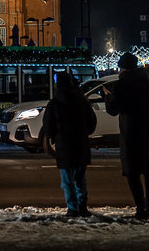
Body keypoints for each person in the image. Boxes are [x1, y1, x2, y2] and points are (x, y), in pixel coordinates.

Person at [105, 52, 149, 220]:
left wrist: (108, 97)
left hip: (131, 134)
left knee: (133, 172)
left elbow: (112, 110)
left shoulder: (121, 85)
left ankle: (140, 208)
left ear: (122, 67)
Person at [42, 71, 97, 217]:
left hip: (64, 144)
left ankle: (72, 208)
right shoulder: (82, 101)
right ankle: (82, 206)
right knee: (80, 178)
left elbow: (48, 125)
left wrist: (54, 137)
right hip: (81, 143)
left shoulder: (55, 103)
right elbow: (92, 122)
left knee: (67, 180)